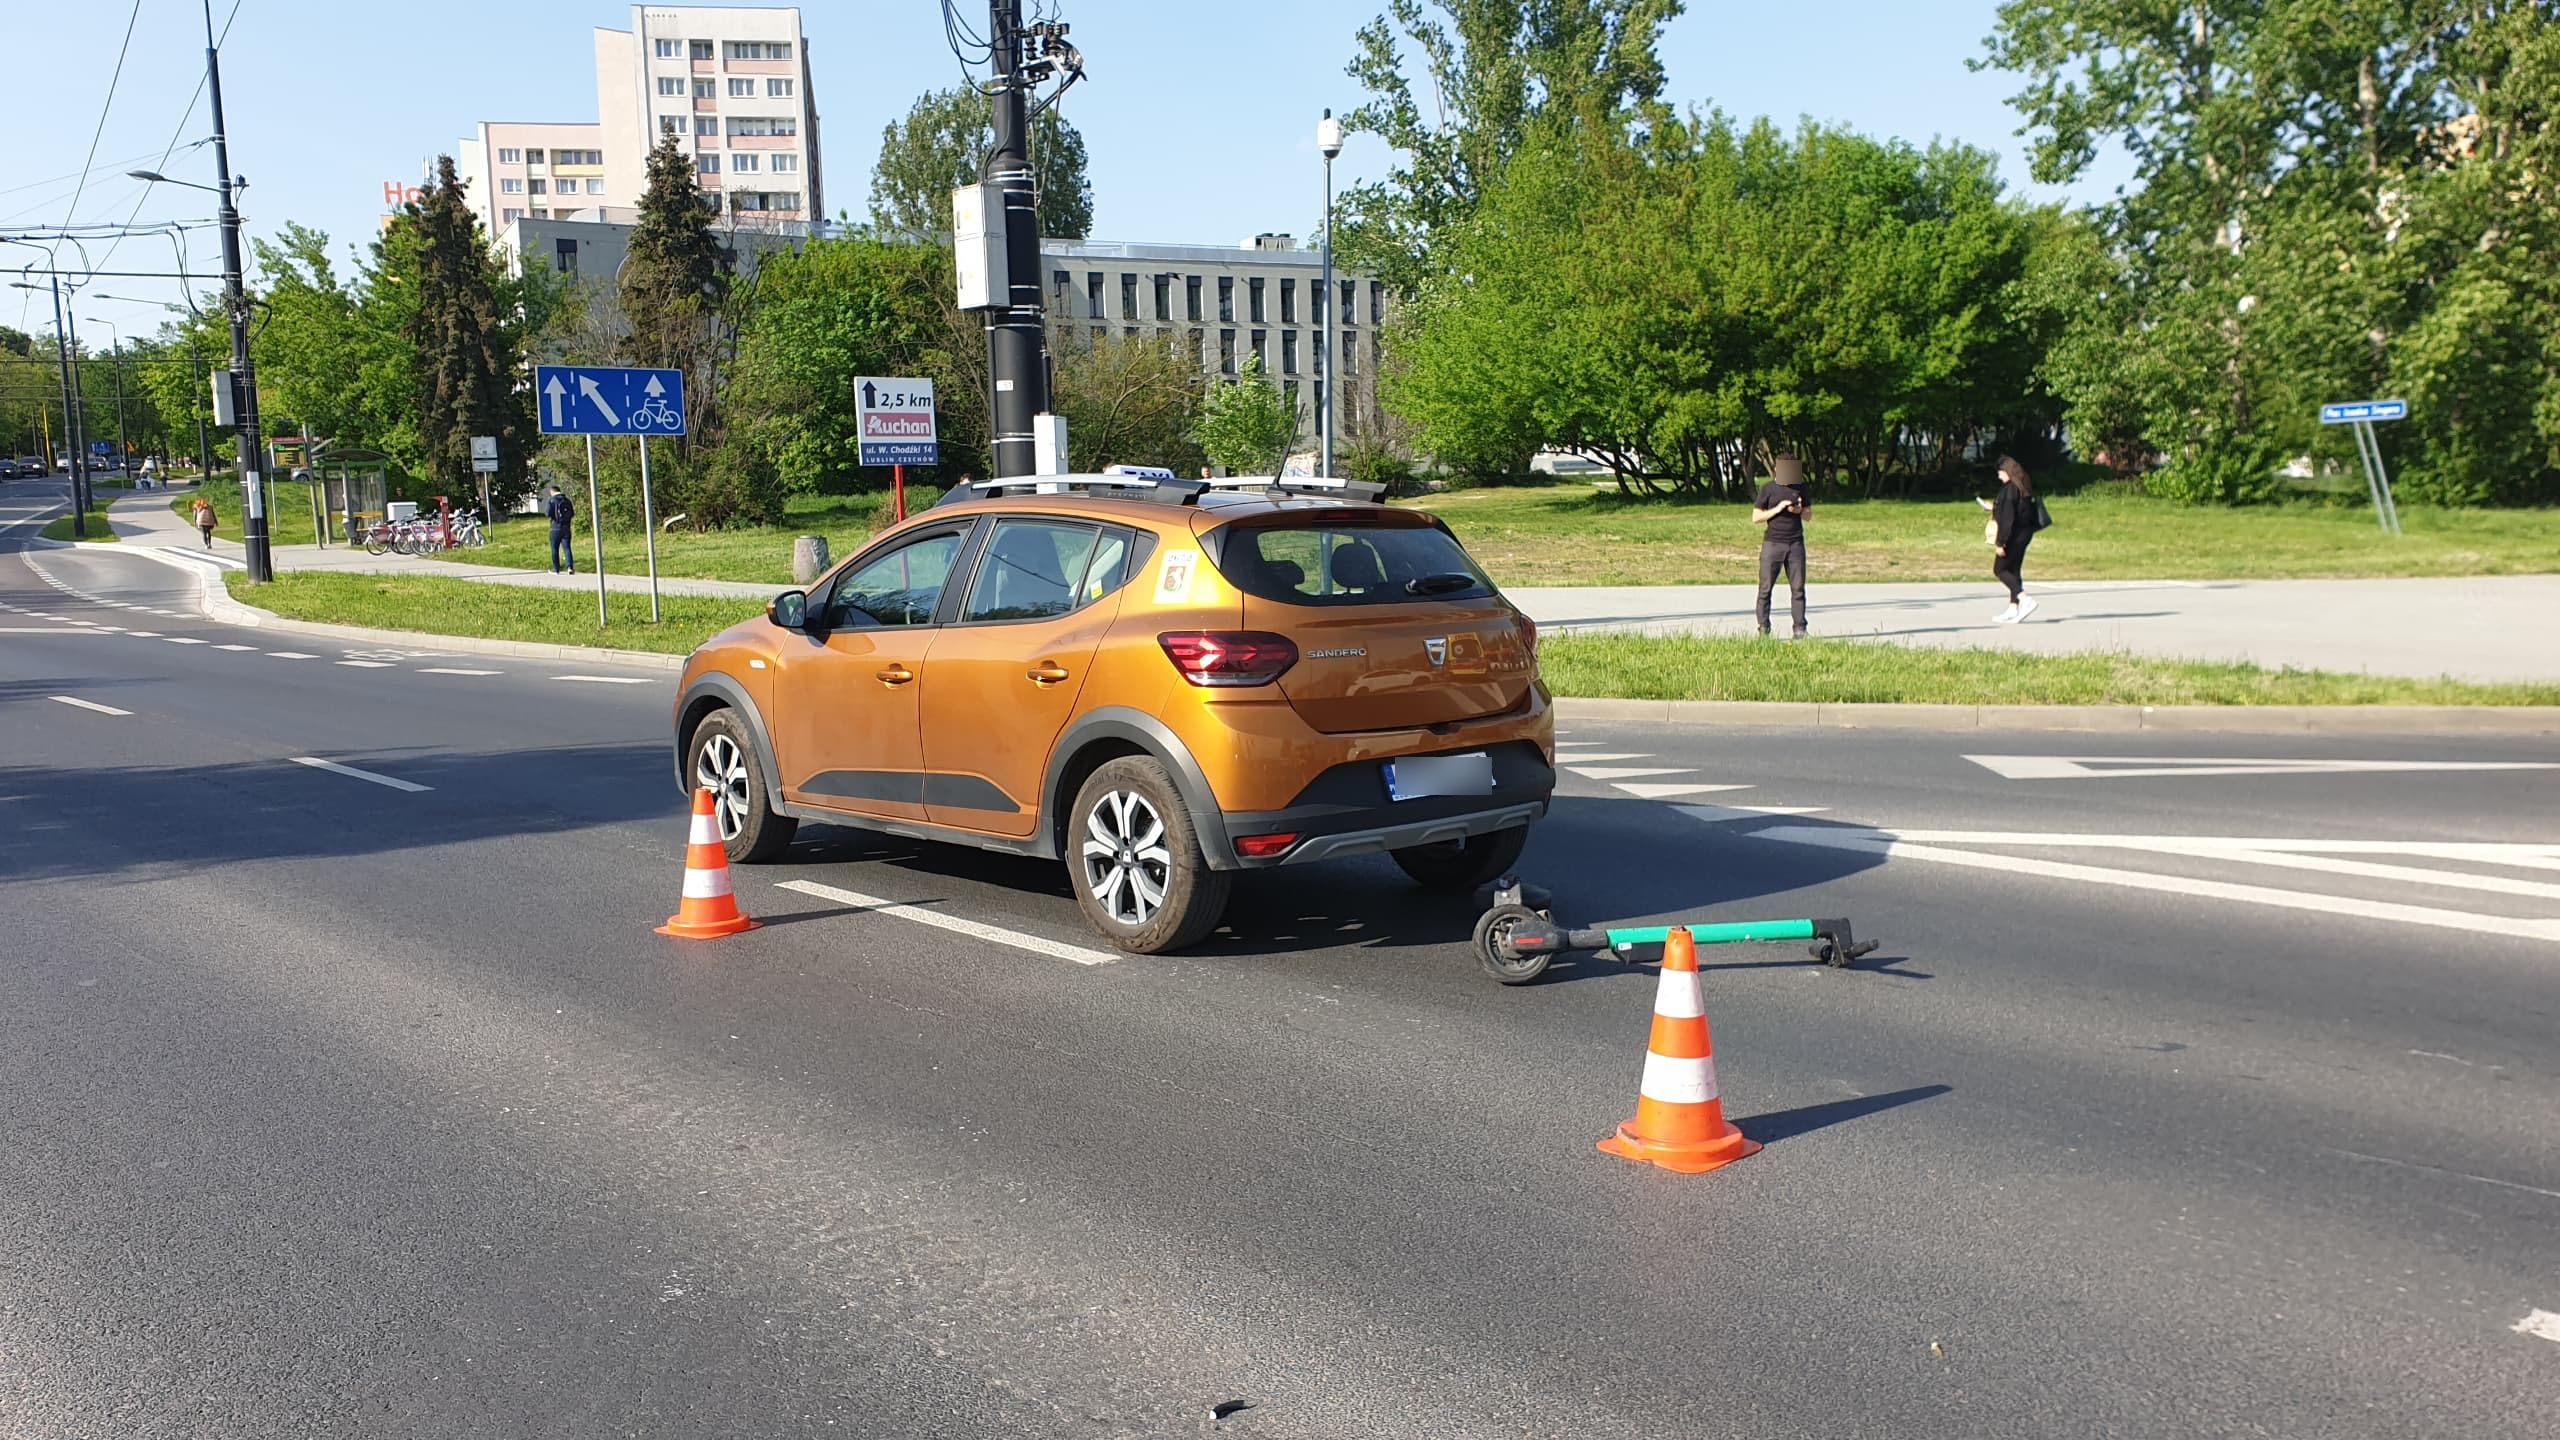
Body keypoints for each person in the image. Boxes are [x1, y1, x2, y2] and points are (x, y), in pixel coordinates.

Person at [1750, 452, 1812, 638]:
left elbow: (1809, 515)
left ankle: (1800, 629)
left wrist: (1798, 510)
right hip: (1773, 543)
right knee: (1765, 588)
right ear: (1777, 470)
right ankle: (1763, 628)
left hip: (1795, 544)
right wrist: (1777, 509)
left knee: (1798, 588)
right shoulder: (1768, 489)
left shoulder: (1801, 488)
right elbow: (1756, 517)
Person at [1986, 455, 2042, 623]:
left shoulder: (2010, 489)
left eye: (2000, 472)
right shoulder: (2022, 486)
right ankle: (2013, 607)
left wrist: (2001, 542)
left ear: (2007, 472)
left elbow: (2008, 519)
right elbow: (2012, 510)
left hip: (2013, 535)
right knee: (2014, 570)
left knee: (2000, 570)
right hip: (2024, 533)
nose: (1998, 475)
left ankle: (2025, 599)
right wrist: (1994, 507)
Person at [544, 484, 576, 574]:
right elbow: (572, 513)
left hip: (555, 528)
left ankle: (556, 569)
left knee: (555, 548)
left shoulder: (551, 500)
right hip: (566, 527)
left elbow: (547, 513)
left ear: (552, 491)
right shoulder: (567, 500)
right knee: (567, 548)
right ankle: (570, 567)